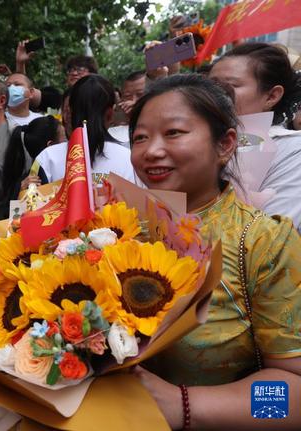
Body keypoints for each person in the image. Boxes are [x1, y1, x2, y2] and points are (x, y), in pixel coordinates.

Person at [129, 73, 301, 430]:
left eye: (173, 132)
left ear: (225, 144)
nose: (151, 150)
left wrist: (185, 406)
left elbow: (293, 399)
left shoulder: (262, 242)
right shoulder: (117, 229)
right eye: (140, 138)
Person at [209, 42, 301, 230]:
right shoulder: (200, 141)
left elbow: (274, 239)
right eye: (210, 86)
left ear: (271, 96)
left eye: (231, 85)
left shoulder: (293, 149)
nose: (214, 95)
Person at [34, 75, 135, 185]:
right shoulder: (130, 159)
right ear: (110, 115)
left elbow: (30, 200)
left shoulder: (47, 158)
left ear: (69, 113)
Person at [2, 115, 64, 203]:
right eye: (64, 141)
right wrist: (21, 194)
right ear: (50, 146)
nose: (66, 145)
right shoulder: (31, 184)